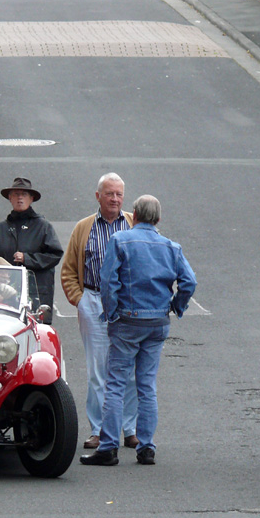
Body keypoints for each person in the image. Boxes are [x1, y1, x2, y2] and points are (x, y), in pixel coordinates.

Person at [80, 195, 196, 466]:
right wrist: (175, 306)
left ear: (135, 214)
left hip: (127, 321)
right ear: (158, 218)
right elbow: (189, 282)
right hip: (157, 321)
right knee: (146, 385)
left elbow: (108, 280)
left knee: (116, 384)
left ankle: (108, 447)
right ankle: (146, 446)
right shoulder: (172, 247)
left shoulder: (120, 240)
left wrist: (111, 313)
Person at [60, 172, 139, 450]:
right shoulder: (84, 227)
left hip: (128, 305)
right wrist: (80, 300)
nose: (115, 199)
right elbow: (68, 270)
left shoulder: (134, 223)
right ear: (98, 196)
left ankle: (129, 429)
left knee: (128, 369)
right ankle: (99, 430)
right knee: (97, 371)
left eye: (119, 194)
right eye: (109, 194)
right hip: (93, 301)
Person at [0, 177, 63, 322]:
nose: (20, 197)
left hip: (36, 294)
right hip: (5, 295)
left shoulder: (43, 227)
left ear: (31, 198)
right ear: (10, 198)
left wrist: (27, 259)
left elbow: (55, 255)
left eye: (24, 194)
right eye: (16, 194)